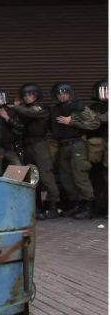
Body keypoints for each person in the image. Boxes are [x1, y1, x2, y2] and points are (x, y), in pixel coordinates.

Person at [50, 83, 99, 219]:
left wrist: (72, 122)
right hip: (62, 146)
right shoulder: (55, 110)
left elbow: (94, 123)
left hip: (77, 144)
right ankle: (77, 204)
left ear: (70, 93)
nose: (62, 95)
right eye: (59, 93)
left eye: (65, 92)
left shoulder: (78, 107)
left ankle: (88, 206)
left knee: (80, 175)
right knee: (66, 178)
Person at [15, 83, 59, 219]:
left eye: (31, 94)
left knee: (46, 176)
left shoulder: (41, 109)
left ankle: (54, 206)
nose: (28, 97)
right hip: (27, 145)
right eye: (25, 95)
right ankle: (37, 206)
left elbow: (29, 112)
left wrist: (17, 107)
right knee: (31, 177)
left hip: (40, 144)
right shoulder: (22, 110)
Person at [87, 80, 107, 216]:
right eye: (102, 91)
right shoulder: (92, 107)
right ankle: (98, 206)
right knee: (95, 176)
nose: (105, 94)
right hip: (95, 145)